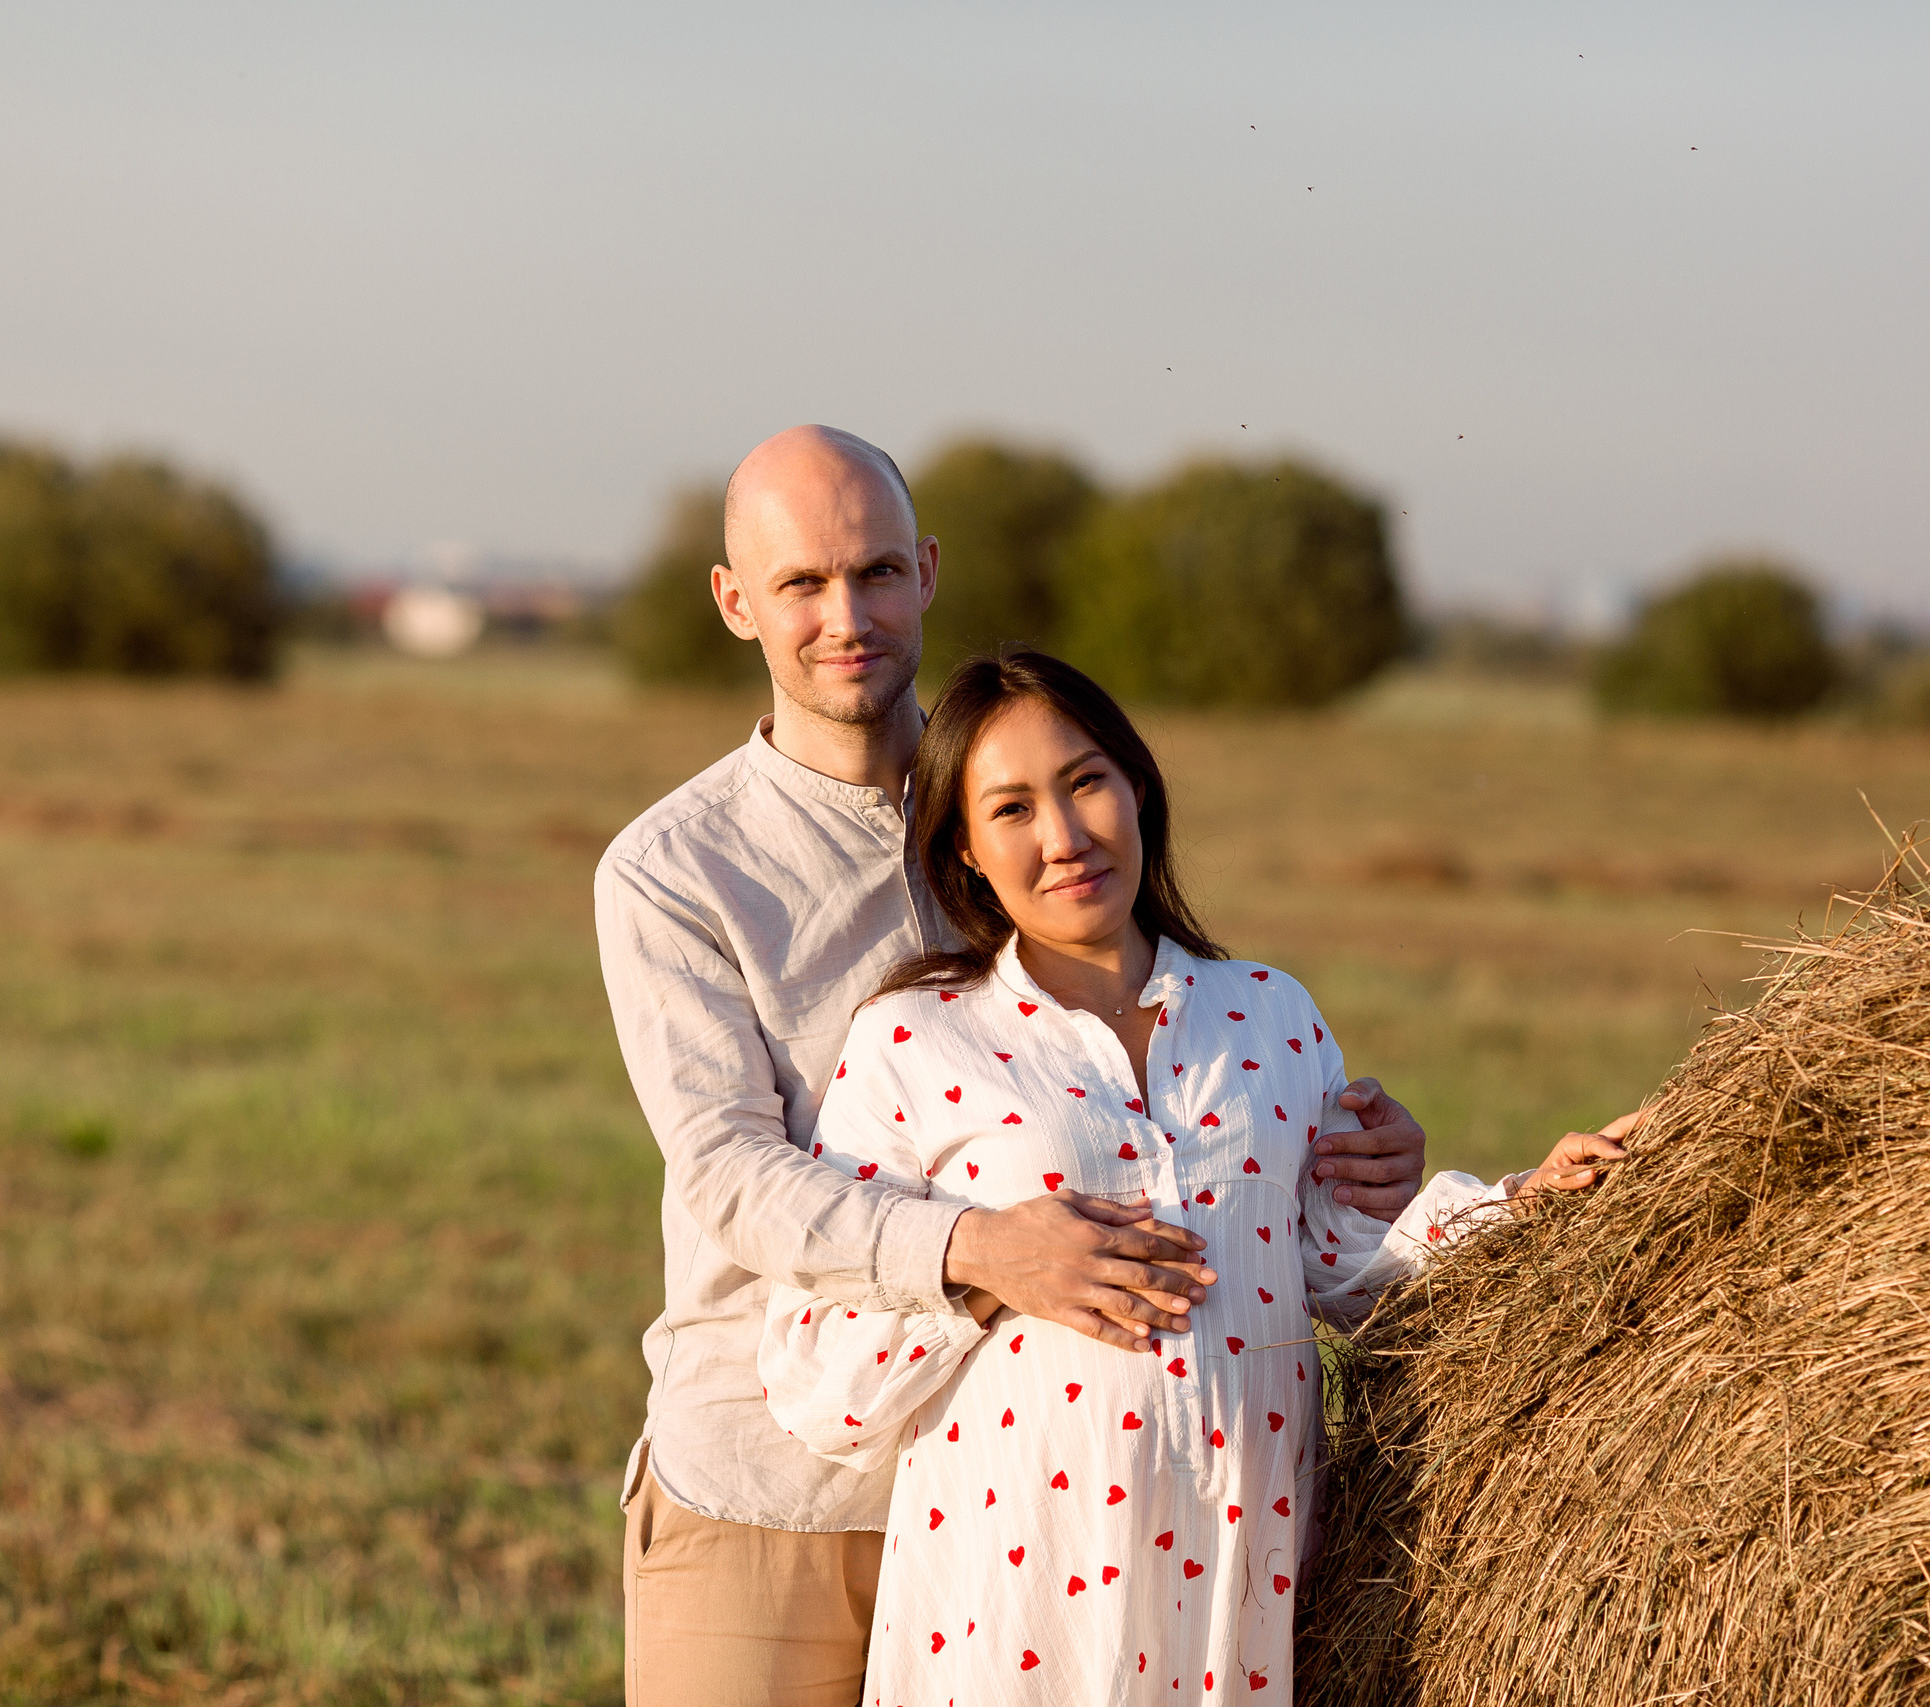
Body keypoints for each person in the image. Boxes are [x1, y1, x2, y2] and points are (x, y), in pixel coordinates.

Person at [593, 426, 1464, 1706]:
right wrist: (981, 1251)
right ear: (734, 602)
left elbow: (1179, 1091)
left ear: (928, 572)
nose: (849, 614)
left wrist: (1349, 1157)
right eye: (801, 584)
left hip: (1054, 1525)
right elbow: (731, 1174)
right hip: (774, 1487)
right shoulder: (673, 872)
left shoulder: (1015, 798)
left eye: (878, 572)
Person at [758, 648, 1633, 1702]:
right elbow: (815, 1374)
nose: (1065, 837)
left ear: (1138, 787)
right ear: (964, 852)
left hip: (1236, 1579)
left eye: (1085, 782)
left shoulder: (1269, 1013)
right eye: (1012, 809)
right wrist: (992, 1269)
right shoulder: (914, 1039)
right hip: (1013, 1595)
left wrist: (1528, 1205)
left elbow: (1348, 1273)